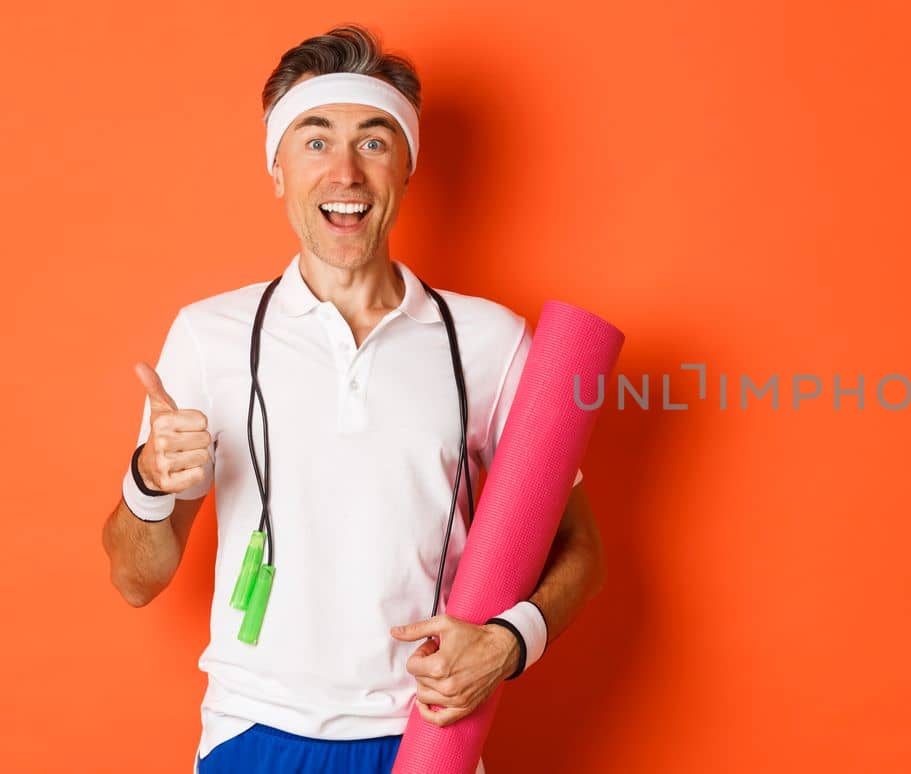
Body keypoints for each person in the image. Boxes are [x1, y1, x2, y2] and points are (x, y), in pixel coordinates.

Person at [97, 24, 607, 773]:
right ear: (277, 169)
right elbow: (135, 580)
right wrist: (147, 482)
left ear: (406, 166)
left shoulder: (491, 341)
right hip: (252, 735)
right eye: (314, 141)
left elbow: (581, 550)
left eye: (373, 141)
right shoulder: (209, 336)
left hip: (429, 737)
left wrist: (507, 643)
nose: (345, 172)